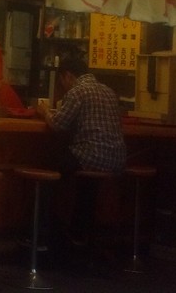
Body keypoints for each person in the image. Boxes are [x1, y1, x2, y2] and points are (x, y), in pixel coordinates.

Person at [35, 46, 126, 261]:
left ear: (67, 76)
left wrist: (45, 111)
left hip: (90, 156)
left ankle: (41, 234)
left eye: (62, 82)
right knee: (87, 181)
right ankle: (78, 234)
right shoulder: (109, 91)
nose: (63, 87)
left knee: (45, 169)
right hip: (116, 161)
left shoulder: (77, 91)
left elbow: (58, 124)